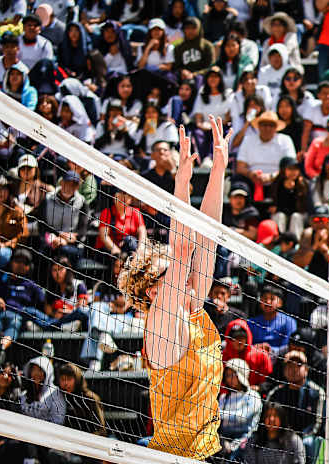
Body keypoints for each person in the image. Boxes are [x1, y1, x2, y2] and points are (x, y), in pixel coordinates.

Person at [115, 118, 230, 459]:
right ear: (153, 291)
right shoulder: (162, 321)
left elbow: (207, 239)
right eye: (171, 272)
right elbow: (182, 249)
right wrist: (181, 185)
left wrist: (218, 171)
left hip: (204, 451)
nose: (184, 274)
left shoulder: (192, 308)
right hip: (173, 457)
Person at [218, 358, 263, 459]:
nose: (230, 378)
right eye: (228, 375)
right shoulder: (224, 397)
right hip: (224, 440)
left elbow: (243, 416)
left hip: (245, 441)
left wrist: (217, 413)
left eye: (233, 374)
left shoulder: (253, 396)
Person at [56, 363, 107, 436]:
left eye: (69, 379)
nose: (66, 383)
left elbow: (101, 430)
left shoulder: (90, 398)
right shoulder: (58, 396)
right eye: (63, 379)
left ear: (77, 379)